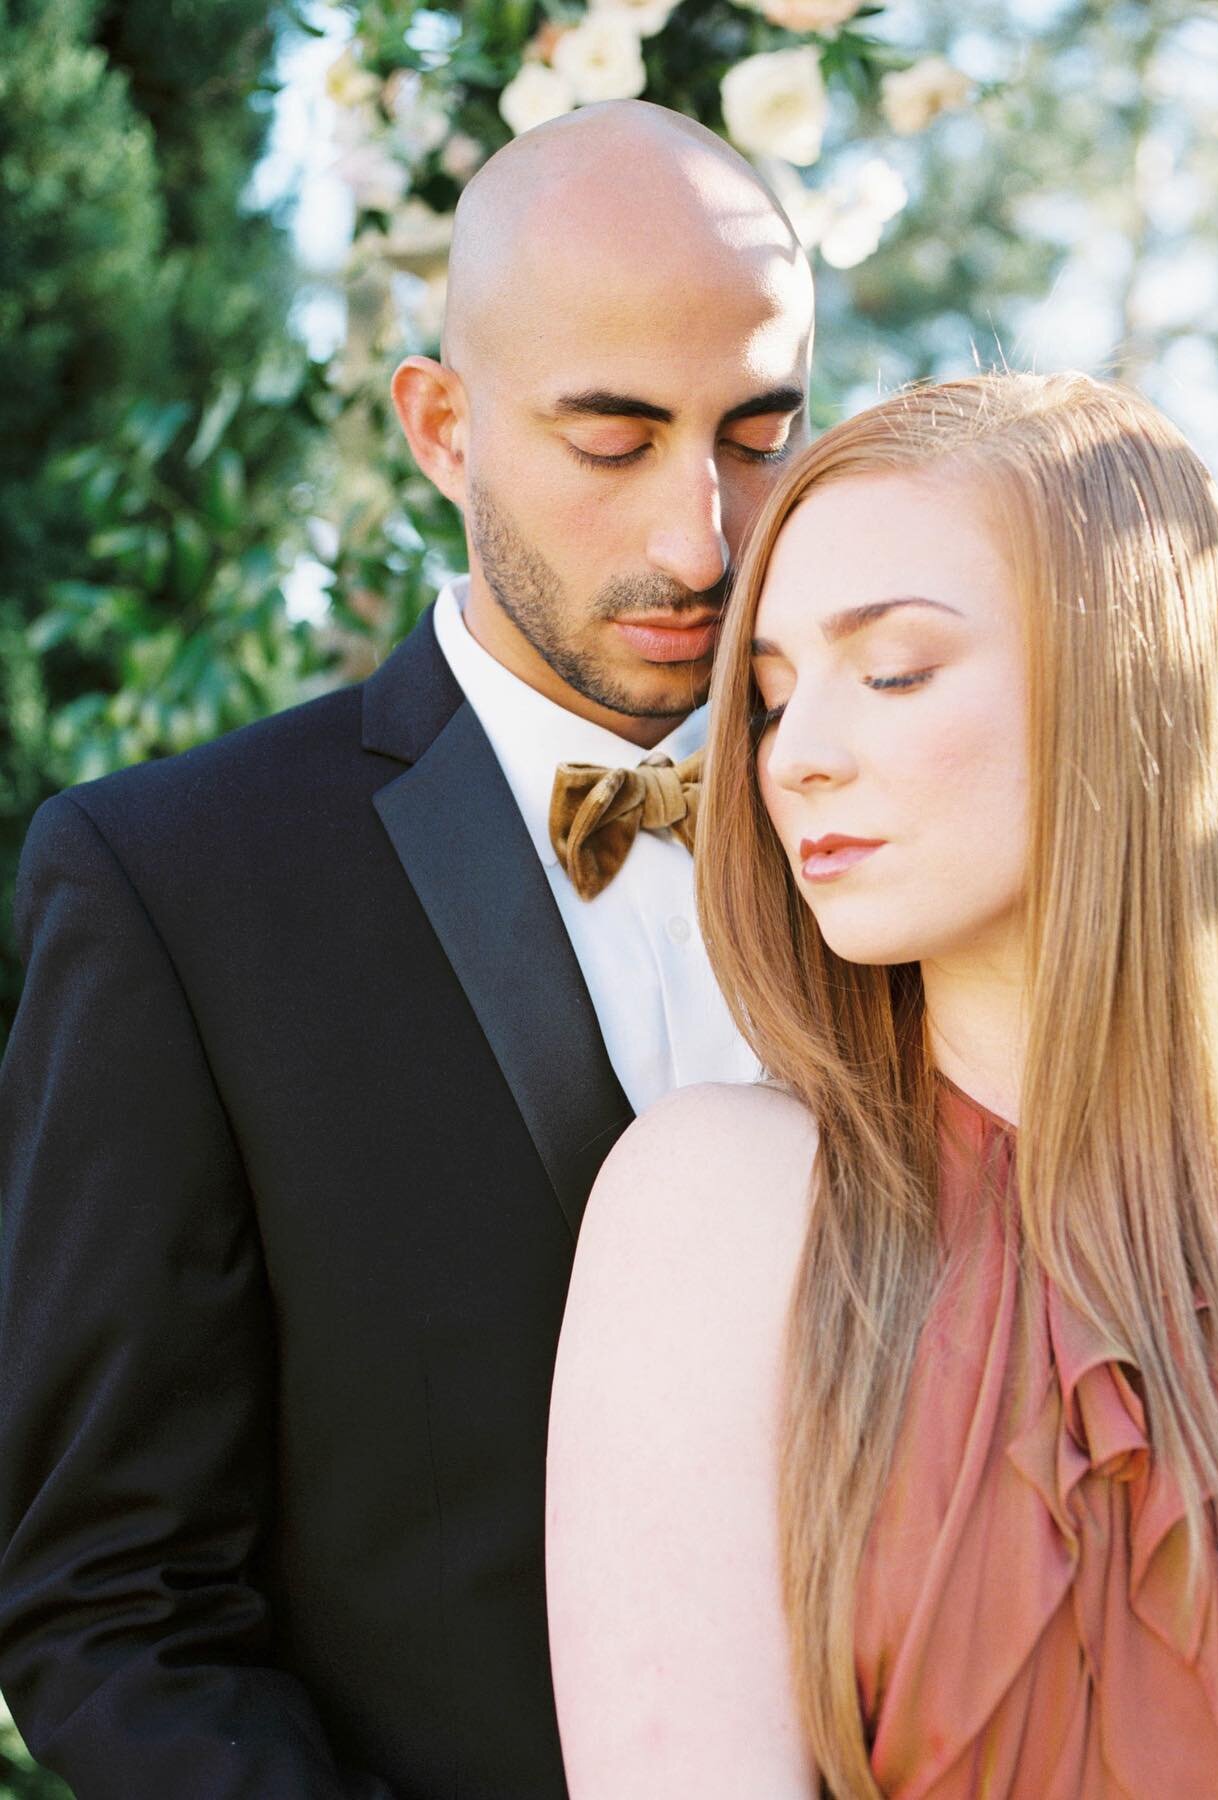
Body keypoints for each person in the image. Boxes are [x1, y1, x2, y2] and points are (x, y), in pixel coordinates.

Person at [0, 101, 813, 1797]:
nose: (702, 541)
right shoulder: (173, 884)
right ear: (442, 429)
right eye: (613, 441)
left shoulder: (907, 839)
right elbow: (109, 1607)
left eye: (758, 435)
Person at [546, 373, 1218, 1799]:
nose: (794, 761)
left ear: (1126, 682)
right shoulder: (720, 1209)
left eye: (891, 671)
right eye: (770, 697)